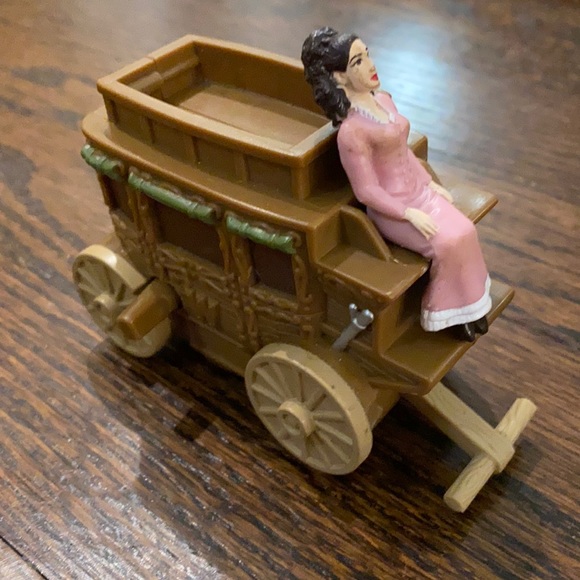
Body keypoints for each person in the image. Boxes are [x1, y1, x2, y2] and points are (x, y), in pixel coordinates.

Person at [301, 27, 491, 341]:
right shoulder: (352, 133)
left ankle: (471, 307)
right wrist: (407, 213)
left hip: (418, 193)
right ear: (339, 77)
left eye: (367, 55)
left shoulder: (385, 101)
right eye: (357, 62)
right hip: (393, 210)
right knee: (447, 243)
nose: (370, 65)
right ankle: (444, 313)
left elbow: (404, 152)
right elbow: (366, 191)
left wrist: (429, 183)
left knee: (466, 231)